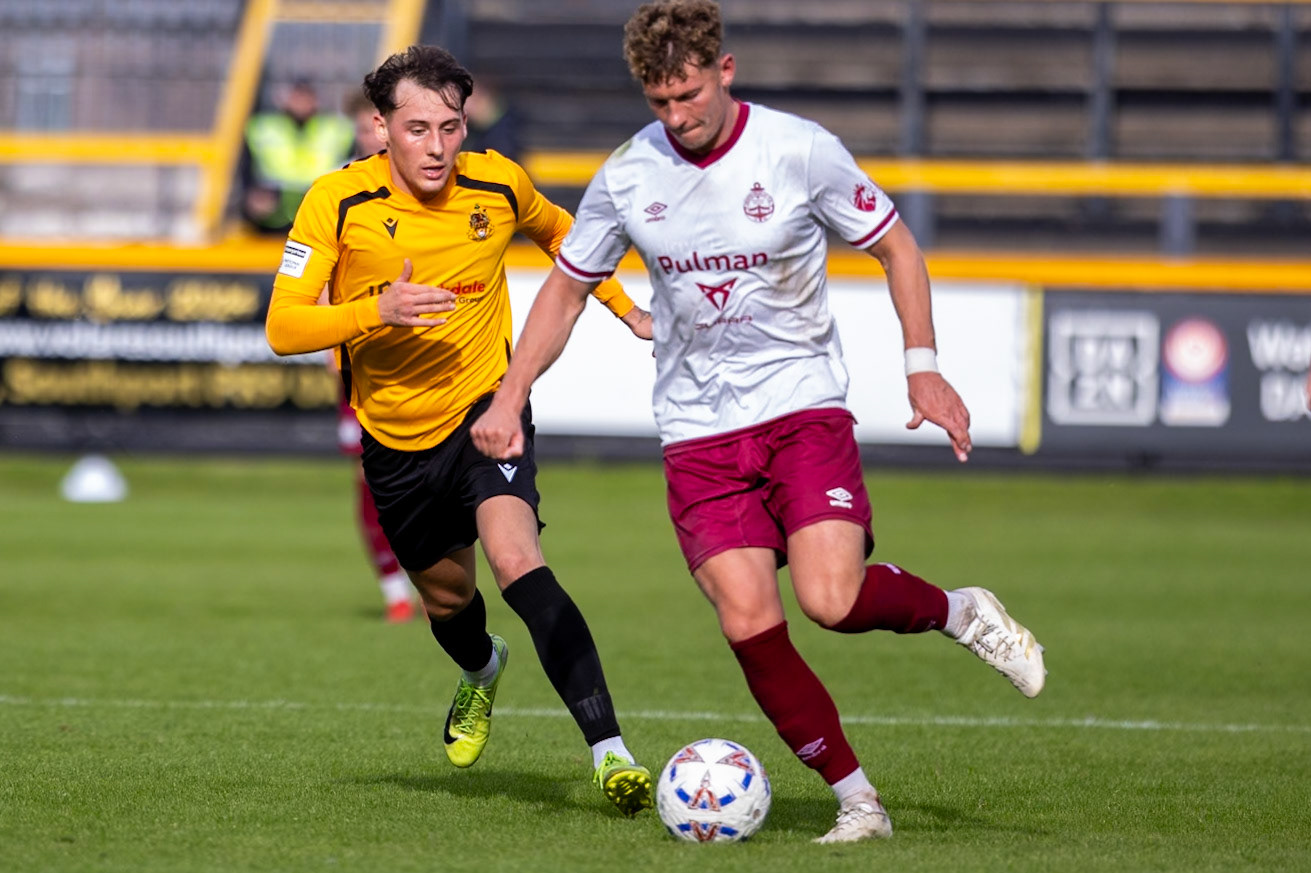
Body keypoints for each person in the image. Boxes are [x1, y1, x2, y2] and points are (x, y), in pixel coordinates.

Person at [470, 0, 1045, 844]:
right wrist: (510, 392)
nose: (677, 116)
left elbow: (895, 247)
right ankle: (858, 800)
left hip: (800, 408)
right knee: (747, 620)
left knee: (830, 599)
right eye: (659, 102)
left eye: (689, 95)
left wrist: (922, 367)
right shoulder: (628, 174)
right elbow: (564, 286)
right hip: (698, 432)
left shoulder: (797, 149)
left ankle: (958, 611)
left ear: (723, 70)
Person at [264, 45, 656, 815]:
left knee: (518, 562)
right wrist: (373, 310)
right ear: (379, 127)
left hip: (487, 411)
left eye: (450, 126)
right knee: (451, 604)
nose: (437, 146)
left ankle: (611, 753)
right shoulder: (334, 202)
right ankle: (481, 671)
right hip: (393, 439)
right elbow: (281, 325)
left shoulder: (497, 181)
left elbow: (569, 240)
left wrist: (626, 306)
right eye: (417, 128)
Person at [240, 79, 355, 235]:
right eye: (297, 97)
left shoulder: (336, 129)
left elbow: (351, 166)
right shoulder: (263, 127)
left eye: (306, 98)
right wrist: (252, 193)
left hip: (321, 207)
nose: (301, 103)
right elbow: (245, 168)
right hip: (273, 211)